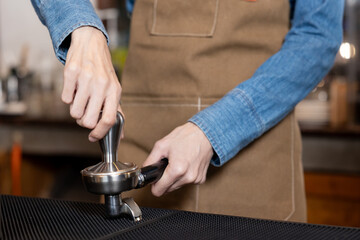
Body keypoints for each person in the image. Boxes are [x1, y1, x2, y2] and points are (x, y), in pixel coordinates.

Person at [31, 0, 344, 222]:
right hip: (141, 146)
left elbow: (318, 37)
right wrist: (82, 26)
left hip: (255, 166)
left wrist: (214, 131)